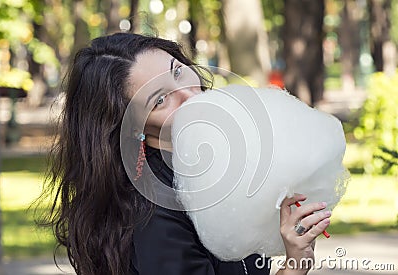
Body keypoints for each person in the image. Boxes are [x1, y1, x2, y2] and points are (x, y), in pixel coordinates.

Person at [40, 32, 331, 275]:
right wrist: (295, 264)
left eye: (177, 71)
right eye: (161, 99)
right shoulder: (153, 217)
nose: (190, 94)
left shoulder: (218, 165)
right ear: (130, 127)